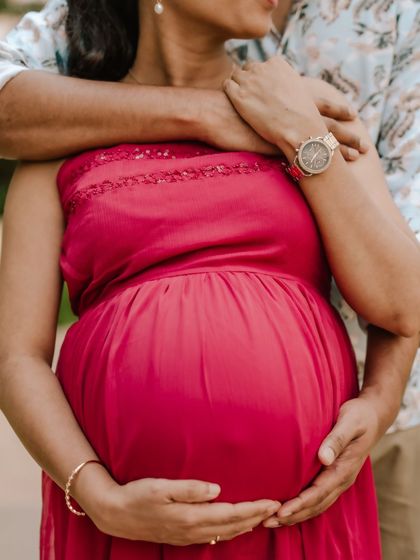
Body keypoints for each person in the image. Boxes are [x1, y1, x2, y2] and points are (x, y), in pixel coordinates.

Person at [1, 1, 420, 559]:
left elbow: (401, 303)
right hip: (131, 523)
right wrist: (96, 494)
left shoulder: (301, 112)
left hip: (297, 517)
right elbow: (16, 357)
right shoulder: (59, 142)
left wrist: (300, 138)